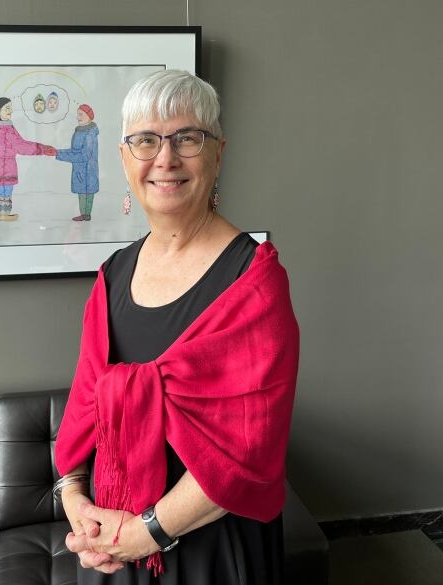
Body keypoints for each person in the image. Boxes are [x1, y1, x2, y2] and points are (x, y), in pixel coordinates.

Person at [54, 70, 299, 584]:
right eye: (145, 140)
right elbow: (85, 409)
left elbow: (248, 452)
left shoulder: (254, 280)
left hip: (210, 550)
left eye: (187, 138)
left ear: (218, 154)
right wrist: (75, 500)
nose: (164, 159)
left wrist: (145, 534)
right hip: (110, 540)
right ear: (124, 159)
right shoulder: (112, 274)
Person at [0, 97, 56, 221]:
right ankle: (4, 214)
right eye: (7, 108)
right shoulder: (7, 129)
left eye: (11, 108)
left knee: (1, 192)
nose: (10, 111)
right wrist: (43, 149)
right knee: (6, 192)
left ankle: (2, 213)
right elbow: (22, 146)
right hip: (6, 167)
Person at [55, 104, 99, 221]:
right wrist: (57, 152)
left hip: (88, 170)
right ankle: (84, 214)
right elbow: (74, 151)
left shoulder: (90, 134)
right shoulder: (78, 131)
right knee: (81, 192)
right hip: (79, 169)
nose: (78, 117)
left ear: (89, 116)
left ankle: (86, 214)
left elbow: (84, 155)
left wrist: (59, 154)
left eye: (81, 114)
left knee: (88, 192)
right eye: (77, 114)